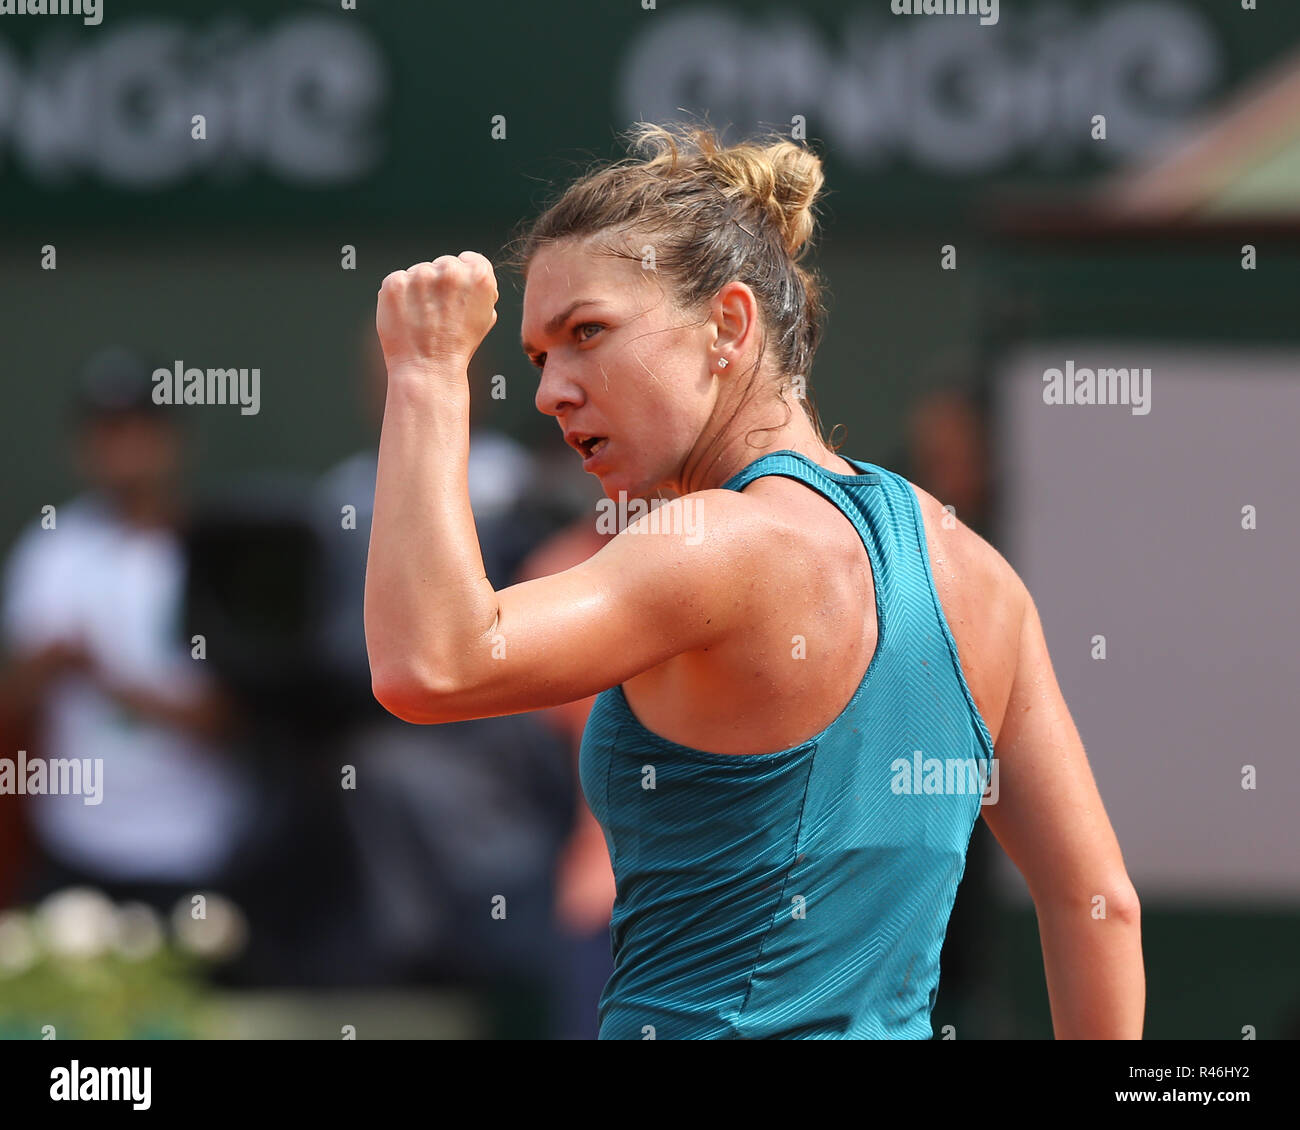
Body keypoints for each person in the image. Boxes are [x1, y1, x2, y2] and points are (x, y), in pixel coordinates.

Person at [362, 122, 1145, 1039]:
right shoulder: (978, 573)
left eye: (588, 333)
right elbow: (1098, 903)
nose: (551, 391)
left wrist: (425, 374)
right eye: (540, 358)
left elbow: (432, 665)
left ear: (728, 326)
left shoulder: (708, 544)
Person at [0, 348, 254, 915]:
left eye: (140, 430)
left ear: (172, 442)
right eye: (108, 433)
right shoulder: (50, 549)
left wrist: (107, 679)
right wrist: (43, 667)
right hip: (75, 847)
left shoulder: (212, 555)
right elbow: (13, 700)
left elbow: (230, 719)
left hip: (191, 851)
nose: (124, 451)